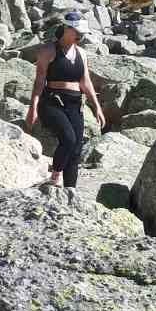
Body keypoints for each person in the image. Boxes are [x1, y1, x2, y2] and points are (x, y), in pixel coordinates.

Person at [27, 10, 106, 188]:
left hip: (74, 103)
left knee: (77, 149)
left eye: (82, 33)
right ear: (66, 28)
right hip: (52, 102)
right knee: (68, 139)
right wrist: (33, 108)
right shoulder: (48, 51)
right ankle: (55, 177)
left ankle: (71, 190)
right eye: (76, 31)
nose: (80, 35)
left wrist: (97, 107)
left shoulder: (82, 54)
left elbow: (85, 82)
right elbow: (39, 82)